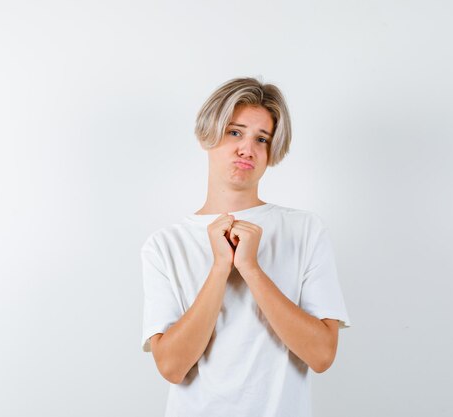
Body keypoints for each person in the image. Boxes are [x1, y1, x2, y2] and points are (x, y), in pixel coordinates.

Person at [140, 76, 351, 417]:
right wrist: (221, 268)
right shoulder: (164, 245)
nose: (246, 149)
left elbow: (322, 355)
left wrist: (250, 269)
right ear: (208, 135)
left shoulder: (305, 230)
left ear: (271, 152)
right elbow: (172, 367)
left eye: (261, 139)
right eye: (235, 132)